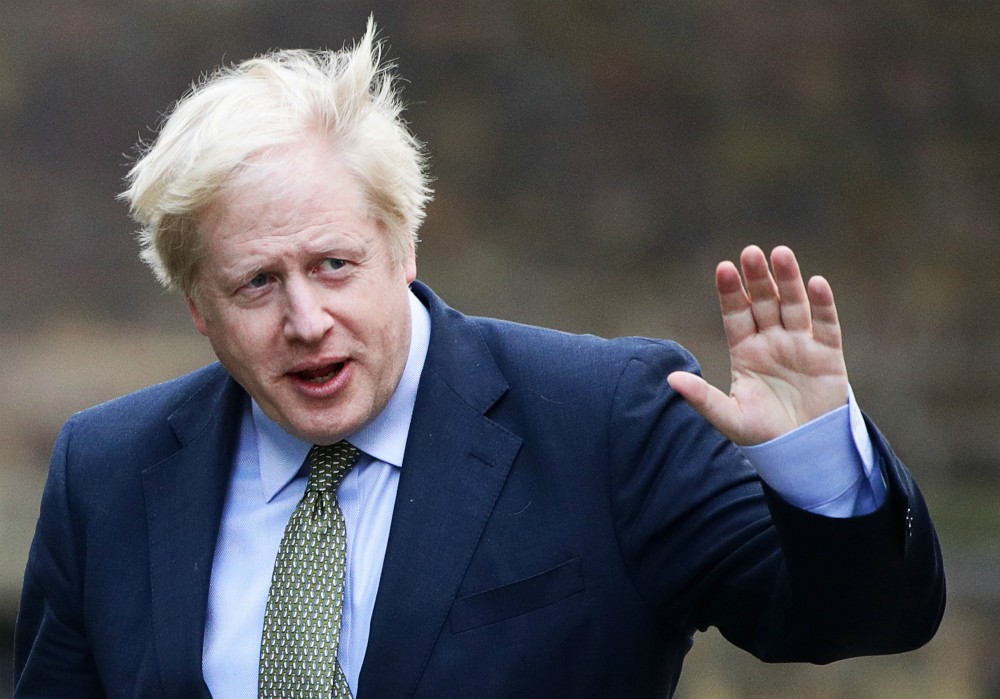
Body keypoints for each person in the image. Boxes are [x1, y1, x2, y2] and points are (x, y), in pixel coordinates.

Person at [14, 20, 944, 699]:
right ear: (198, 308)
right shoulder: (108, 470)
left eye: (335, 265)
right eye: (257, 283)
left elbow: (854, 621)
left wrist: (818, 459)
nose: (306, 317)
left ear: (403, 245)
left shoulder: (605, 418)